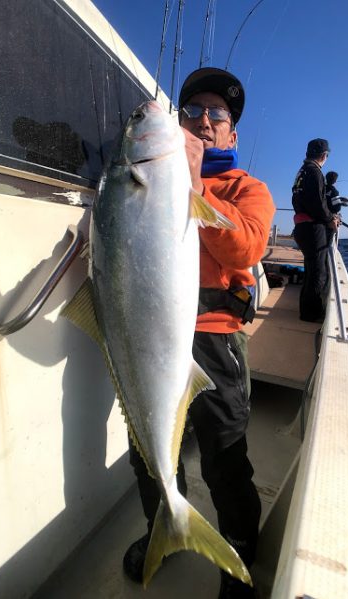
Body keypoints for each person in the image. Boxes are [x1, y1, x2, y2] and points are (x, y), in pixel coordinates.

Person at [123, 67, 275, 598]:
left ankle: (238, 557)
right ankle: (164, 530)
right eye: (193, 112)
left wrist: (189, 184)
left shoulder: (246, 188)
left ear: (231, 134)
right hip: (150, 334)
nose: (205, 121)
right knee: (148, 451)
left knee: (226, 457)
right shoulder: (146, 177)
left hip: (214, 340)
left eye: (219, 115)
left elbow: (248, 247)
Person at [292, 139, 339, 322]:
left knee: (311, 269)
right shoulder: (314, 172)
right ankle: (311, 315)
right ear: (324, 156)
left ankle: (306, 312)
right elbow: (318, 204)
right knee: (318, 272)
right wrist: (330, 219)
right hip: (313, 229)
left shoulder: (302, 172)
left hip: (302, 227)